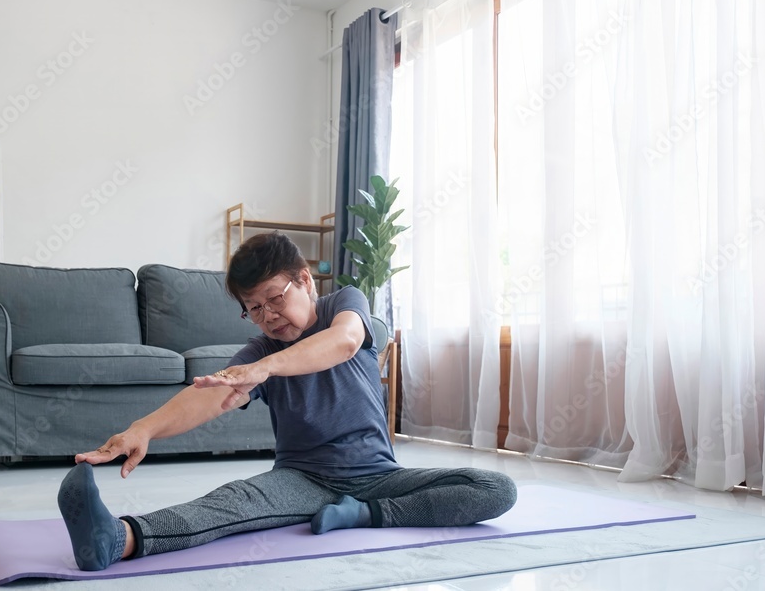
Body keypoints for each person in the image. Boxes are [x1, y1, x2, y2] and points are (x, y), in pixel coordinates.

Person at [57, 231, 517, 571]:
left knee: (497, 490)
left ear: (304, 280)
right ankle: (116, 538)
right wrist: (143, 429)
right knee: (230, 504)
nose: (267, 315)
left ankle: (364, 518)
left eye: (274, 298)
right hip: (302, 480)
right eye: (253, 308)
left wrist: (265, 369)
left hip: (379, 480)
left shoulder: (343, 306)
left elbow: (344, 342)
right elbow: (208, 398)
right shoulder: (259, 353)